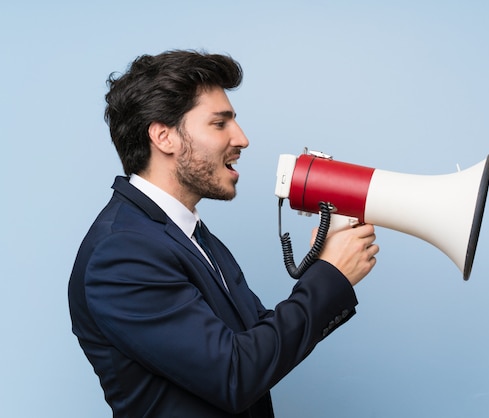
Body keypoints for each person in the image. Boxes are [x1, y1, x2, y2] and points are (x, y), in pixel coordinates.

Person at [68, 49, 379, 418]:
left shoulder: (188, 234)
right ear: (164, 136)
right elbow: (233, 374)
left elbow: (252, 341)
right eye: (220, 123)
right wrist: (330, 277)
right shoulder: (121, 253)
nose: (242, 139)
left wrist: (320, 270)